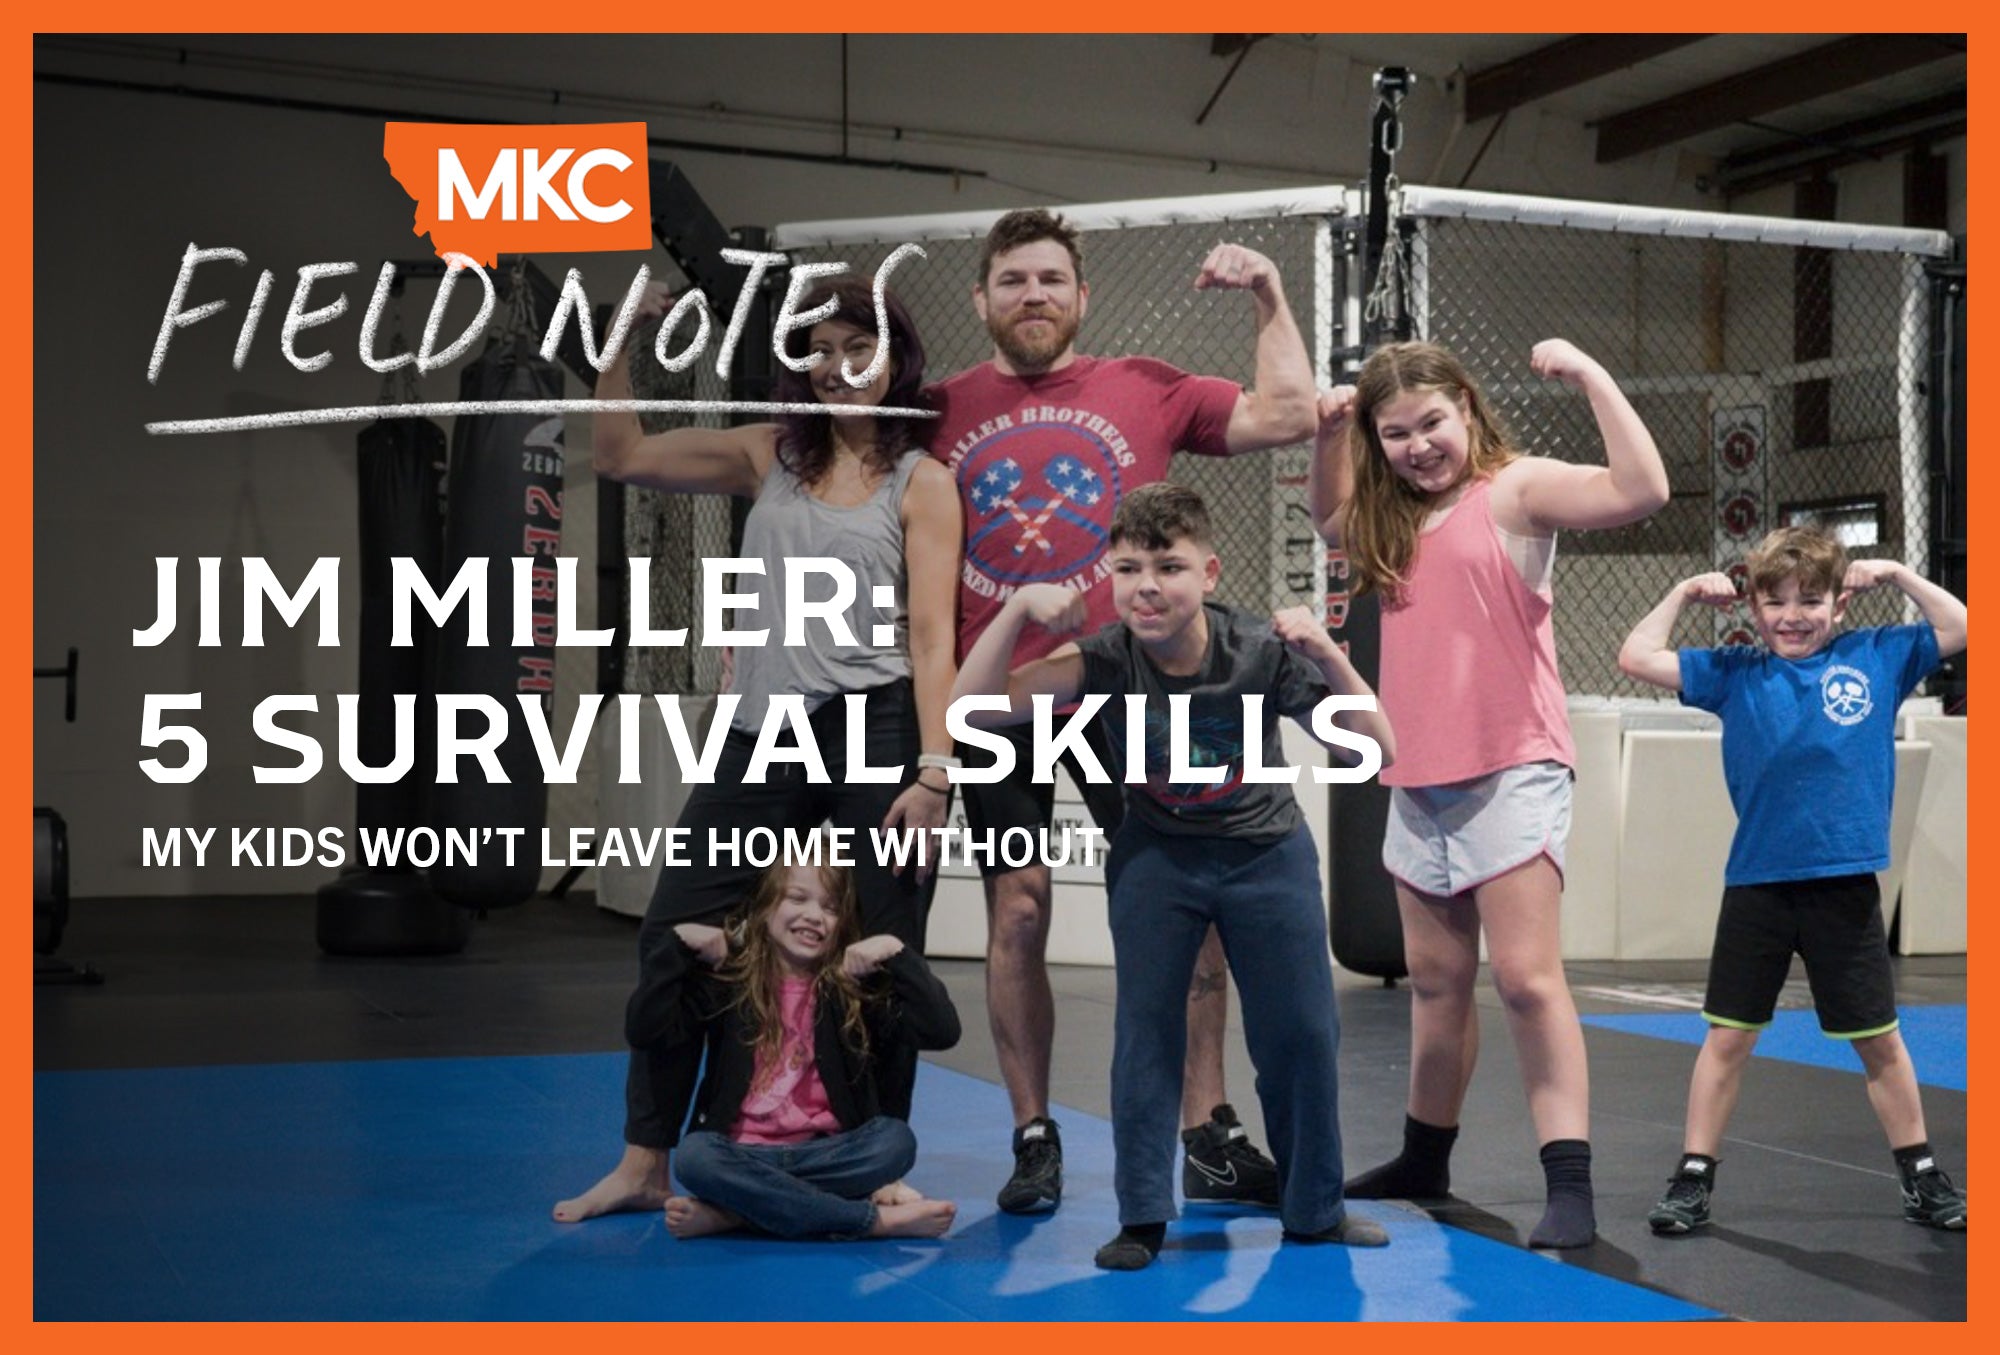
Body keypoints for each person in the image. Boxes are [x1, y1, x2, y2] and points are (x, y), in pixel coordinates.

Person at [927, 208, 1316, 1213]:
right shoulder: (934, 409)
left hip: (1128, 687)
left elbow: (1289, 414)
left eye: (1051, 278)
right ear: (981, 298)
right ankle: (1033, 1135)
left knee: (1193, 912)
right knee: (1017, 908)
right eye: (1013, 280)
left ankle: (1206, 1131)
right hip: (1010, 696)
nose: (1033, 295)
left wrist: (1269, 291)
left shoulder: (1145, 385)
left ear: (1081, 295)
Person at [553, 275, 962, 1223]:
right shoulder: (766, 452)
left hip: (875, 725)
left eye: (856, 346)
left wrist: (936, 769)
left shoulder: (922, 481)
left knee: (882, 947)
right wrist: (618, 343)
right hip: (763, 727)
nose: (837, 366)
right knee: (672, 931)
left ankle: (874, 1163)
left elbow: (933, 636)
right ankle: (647, 1158)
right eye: (818, 351)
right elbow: (619, 454)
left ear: (895, 356)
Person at [951, 483, 1397, 1269]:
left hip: (1266, 851)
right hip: (1158, 853)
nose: (1147, 586)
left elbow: (1374, 747)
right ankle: (1143, 1217)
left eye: (1169, 566)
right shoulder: (1102, 659)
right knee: (1144, 1036)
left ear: (1210, 572)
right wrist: (1016, 610)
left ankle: (1315, 1210)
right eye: (1128, 569)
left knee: (1301, 1034)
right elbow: (970, 712)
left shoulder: (1257, 650)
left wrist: (1327, 652)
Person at [1310, 338, 1670, 1249]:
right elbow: (1329, 520)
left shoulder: (1514, 489)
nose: (1419, 445)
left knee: (1525, 979)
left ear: (1466, 407)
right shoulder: (1390, 517)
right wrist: (1325, 437)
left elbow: (1643, 490)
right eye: (1396, 433)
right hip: (1418, 776)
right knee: (1435, 982)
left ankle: (1570, 1185)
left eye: (1432, 422)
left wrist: (1591, 374)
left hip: (1512, 765)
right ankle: (1423, 1159)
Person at [1617, 526, 1968, 1234]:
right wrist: (1683, 591)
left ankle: (1922, 1175)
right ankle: (1692, 1177)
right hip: (1759, 886)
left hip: (1844, 888)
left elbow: (1962, 626)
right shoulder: (1735, 671)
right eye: (1775, 602)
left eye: (1811, 600)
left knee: (1879, 1040)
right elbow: (1636, 656)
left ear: (1840, 604)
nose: (1793, 616)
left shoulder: (1876, 655)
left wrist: (1897, 573)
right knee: (1728, 1038)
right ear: (1752, 607)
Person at [659, 854, 963, 1241]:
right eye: (797, 898)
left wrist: (898, 954)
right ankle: (871, 1221)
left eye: (831, 908)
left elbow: (942, 1032)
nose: (814, 916)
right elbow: (646, 1028)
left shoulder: (850, 989)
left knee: (895, 1143)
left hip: (826, 1154)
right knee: (694, 1157)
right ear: (765, 907)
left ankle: (737, 1213)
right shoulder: (731, 981)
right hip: (741, 1153)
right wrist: (674, 948)